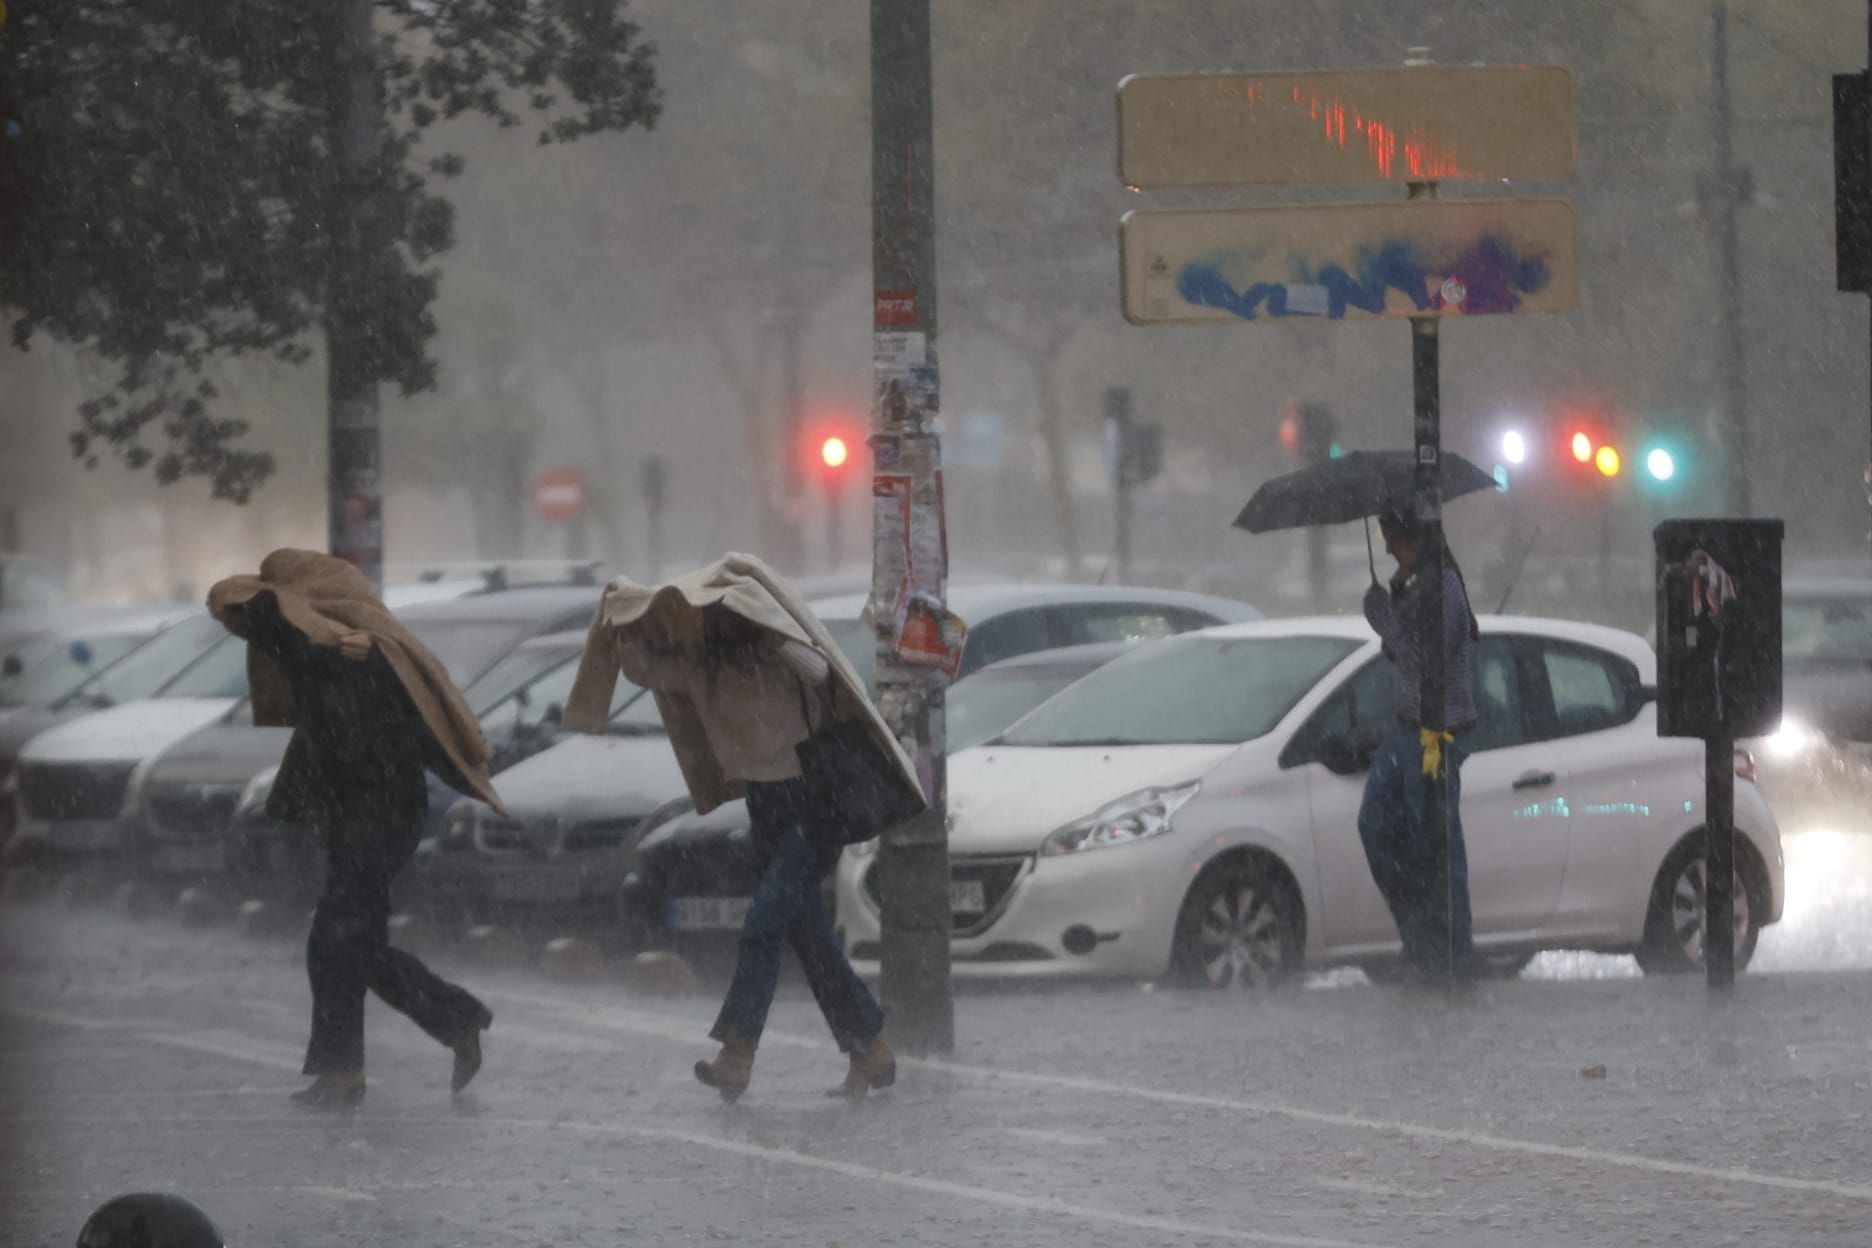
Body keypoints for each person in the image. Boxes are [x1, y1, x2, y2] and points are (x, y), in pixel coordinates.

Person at [564, 554, 925, 1102]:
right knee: (807, 936)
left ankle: (737, 1053)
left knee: (763, 921)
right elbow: (643, 669)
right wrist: (622, 610)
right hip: (768, 804)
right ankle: (870, 1047)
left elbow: (823, 670)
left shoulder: (778, 650)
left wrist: (772, 630)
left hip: (814, 799)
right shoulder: (700, 661)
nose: (718, 622)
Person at [208, 550, 505, 1109]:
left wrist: (371, 652)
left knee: (336, 939)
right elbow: (230, 598)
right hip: (350, 808)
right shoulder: (296, 640)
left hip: (387, 807)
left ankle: (346, 1072)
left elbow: (415, 677)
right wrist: (292, 608)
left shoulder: (372, 647)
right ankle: (454, 1019)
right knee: (355, 946)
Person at [1357, 508, 1481, 983]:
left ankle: (1449, 945)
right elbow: (1401, 654)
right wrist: (1389, 609)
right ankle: (1416, 929)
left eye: (1395, 540)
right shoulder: (1410, 587)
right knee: (1375, 823)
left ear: (1415, 541)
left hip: (1438, 733)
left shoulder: (1445, 589)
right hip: (1405, 727)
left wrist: (1384, 620)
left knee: (1437, 838)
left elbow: (1424, 657)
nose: (1388, 549)